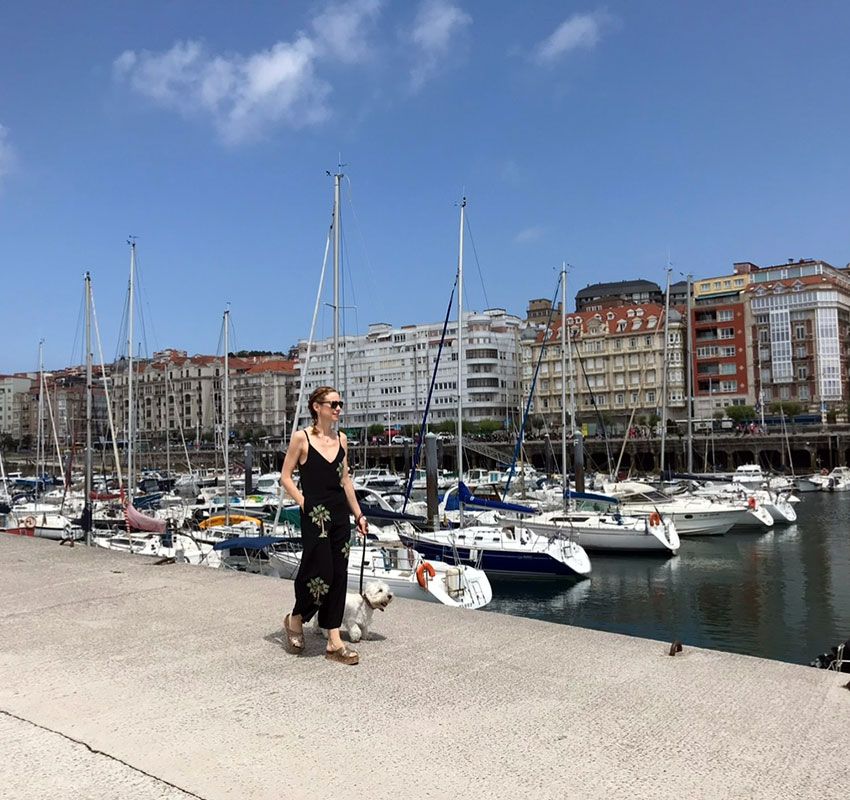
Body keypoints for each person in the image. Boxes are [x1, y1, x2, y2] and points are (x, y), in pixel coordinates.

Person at [280, 386, 369, 665]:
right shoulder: (301, 439)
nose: (338, 408)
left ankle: (334, 640)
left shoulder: (342, 439)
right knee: (320, 573)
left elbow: (345, 481)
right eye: (332, 404)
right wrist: (303, 503)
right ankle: (296, 617)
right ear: (317, 407)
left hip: (340, 516)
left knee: (339, 575)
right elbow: (285, 477)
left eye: (340, 403)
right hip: (315, 515)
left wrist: (359, 514)